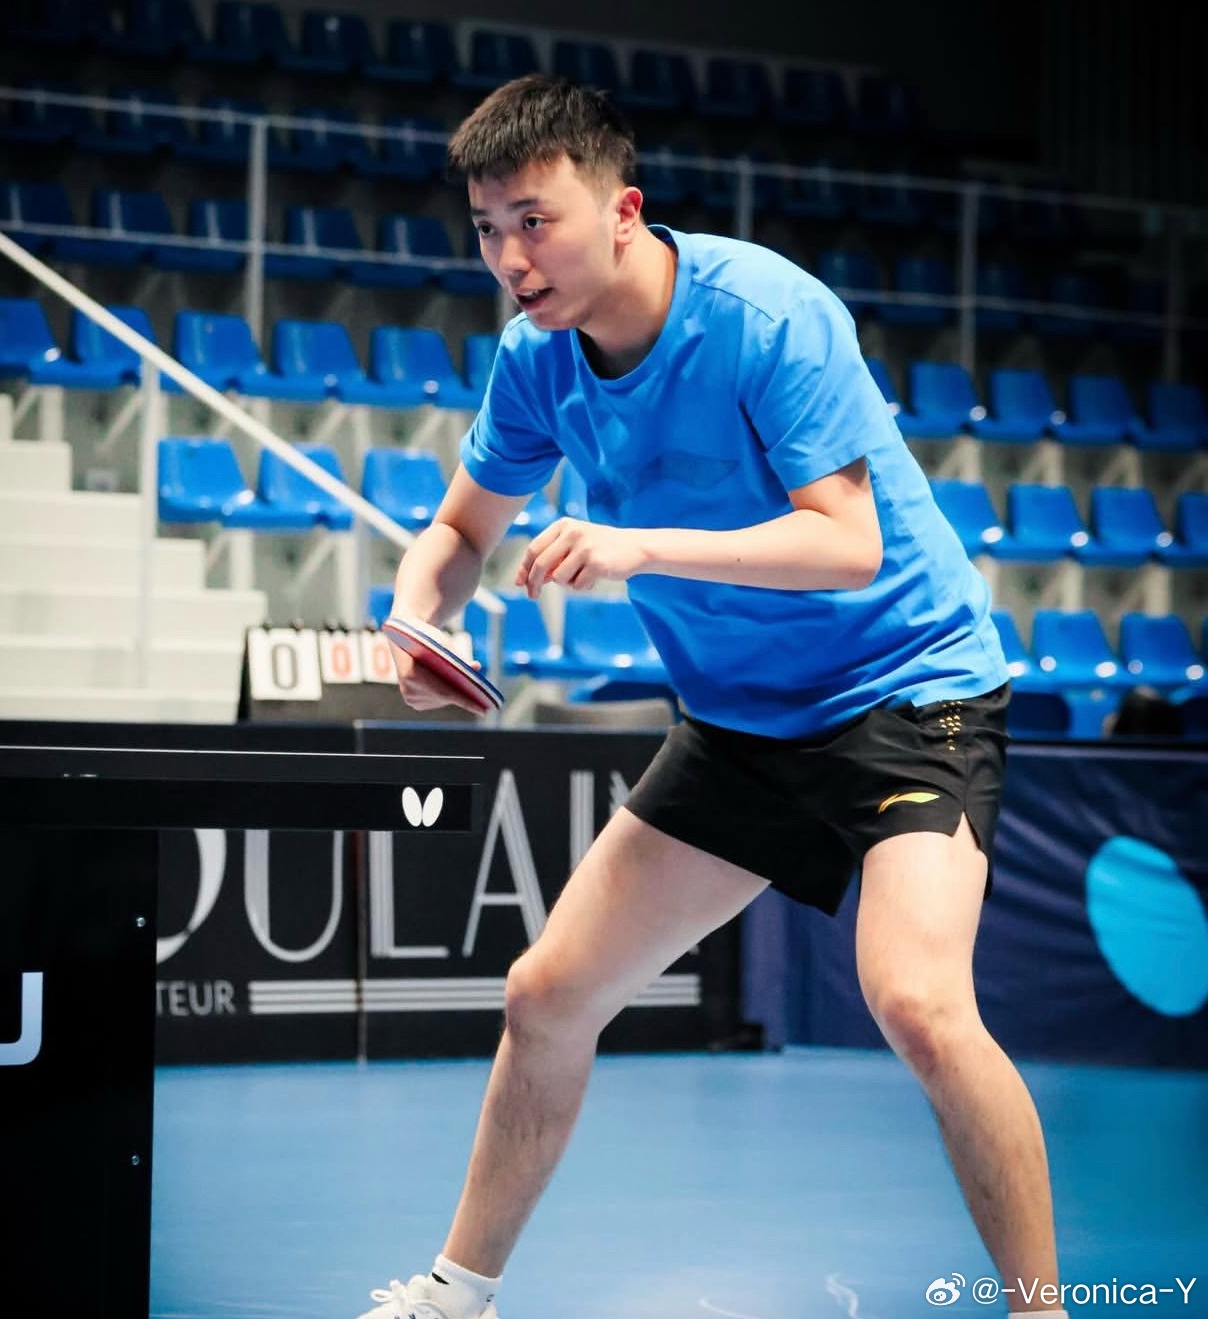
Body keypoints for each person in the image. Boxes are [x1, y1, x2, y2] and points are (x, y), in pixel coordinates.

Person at [358, 76, 1068, 1319]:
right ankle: (453, 1294)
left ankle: (1041, 1311)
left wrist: (637, 546)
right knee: (544, 994)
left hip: (909, 691)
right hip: (740, 723)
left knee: (915, 999)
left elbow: (844, 545)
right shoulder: (534, 359)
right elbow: (459, 529)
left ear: (621, 210)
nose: (510, 258)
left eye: (535, 221)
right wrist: (422, 619)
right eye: (486, 228)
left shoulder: (766, 316)